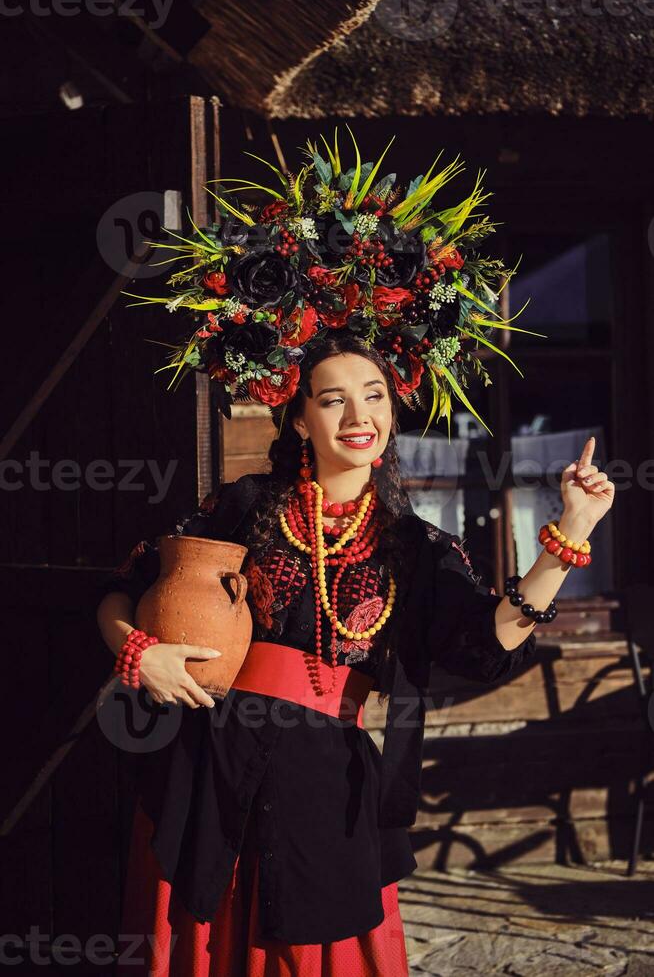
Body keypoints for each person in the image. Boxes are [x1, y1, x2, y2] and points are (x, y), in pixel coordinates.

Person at [96, 133, 615, 976]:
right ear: (297, 420)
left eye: (372, 396)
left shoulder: (415, 547)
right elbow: (124, 591)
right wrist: (140, 654)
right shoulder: (242, 507)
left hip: (324, 791)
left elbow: (486, 644)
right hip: (208, 770)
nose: (357, 416)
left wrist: (572, 532)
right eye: (332, 400)